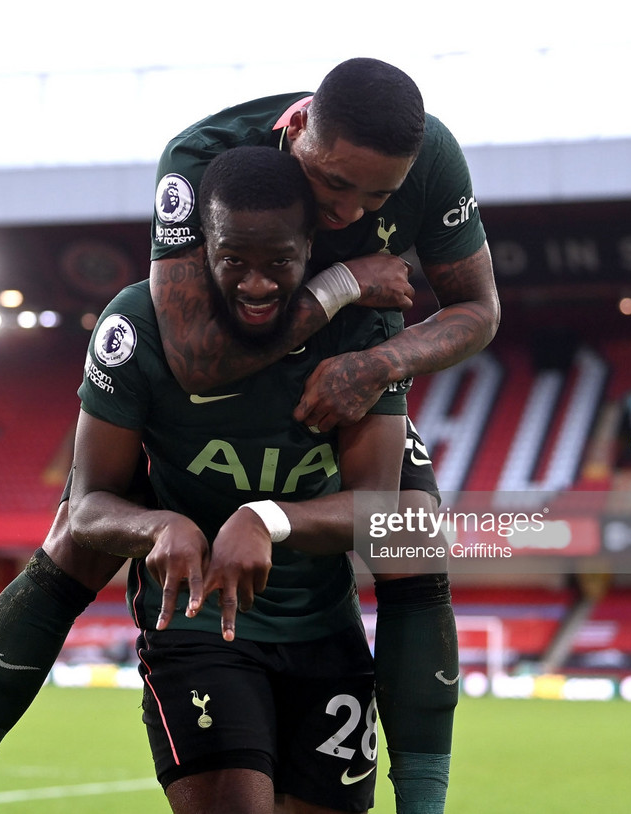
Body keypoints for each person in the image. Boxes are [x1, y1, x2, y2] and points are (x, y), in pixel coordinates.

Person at [0, 57, 497, 814]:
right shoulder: (198, 161)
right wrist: (339, 285)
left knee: (410, 532)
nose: (351, 214)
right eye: (333, 186)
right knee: (82, 526)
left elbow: (478, 311)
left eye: (378, 197)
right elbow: (194, 356)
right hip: (213, 383)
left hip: (348, 364)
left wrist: (379, 361)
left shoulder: (432, 159)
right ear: (294, 134)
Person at [71, 145, 406, 813]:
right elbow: (86, 508)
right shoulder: (139, 325)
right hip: (199, 633)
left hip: (326, 636)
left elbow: (378, 510)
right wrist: (157, 525)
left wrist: (265, 517)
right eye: (233, 262)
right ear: (202, 249)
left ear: (312, 245)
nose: (257, 284)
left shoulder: (364, 330)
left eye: (280, 261)